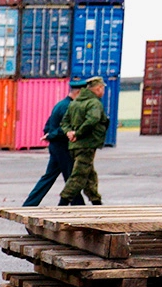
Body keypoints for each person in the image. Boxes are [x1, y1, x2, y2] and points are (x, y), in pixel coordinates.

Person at [22, 80, 85, 206]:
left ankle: (29, 204)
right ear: (78, 92)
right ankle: (78, 206)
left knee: (49, 177)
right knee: (71, 178)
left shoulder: (60, 104)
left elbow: (49, 123)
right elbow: (65, 128)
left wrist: (48, 134)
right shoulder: (70, 107)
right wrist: (51, 135)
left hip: (55, 146)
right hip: (63, 147)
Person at [58, 76, 108, 206]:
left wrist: (69, 132)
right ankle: (61, 204)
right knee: (79, 176)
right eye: (102, 88)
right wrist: (78, 133)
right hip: (87, 144)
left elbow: (64, 122)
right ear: (98, 88)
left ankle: (97, 203)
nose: (103, 92)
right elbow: (93, 120)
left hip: (74, 145)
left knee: (89, 176)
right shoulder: (94, 103)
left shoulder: (75, 102)